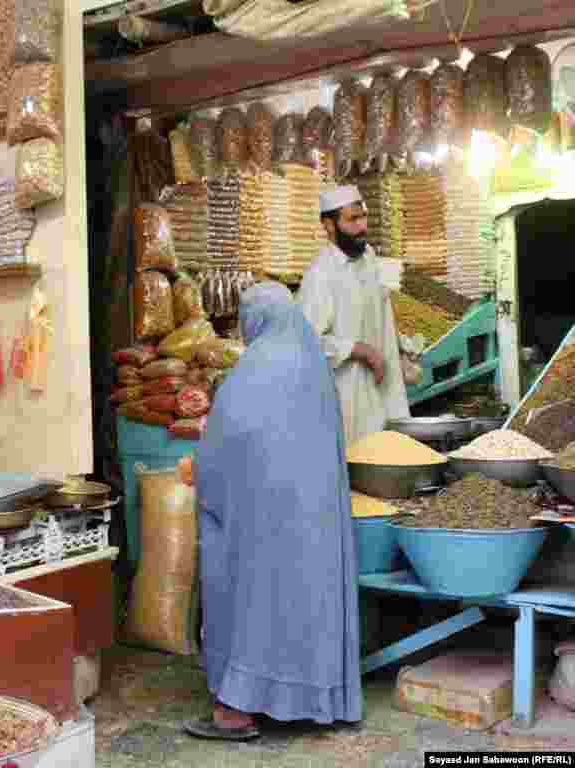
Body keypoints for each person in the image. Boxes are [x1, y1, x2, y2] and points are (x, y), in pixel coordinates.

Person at [186, 281, 361, 741]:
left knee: (252, 601)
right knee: (307, 598)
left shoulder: (253, 371)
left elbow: (224, 449)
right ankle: (314, 699)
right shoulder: (315, 369)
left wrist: (201, 469)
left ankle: (237, 708)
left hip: (261, 523)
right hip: (314, 520)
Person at [298, 184, 409, 445]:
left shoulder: (368, 258)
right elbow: (307, 342)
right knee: (356, 461)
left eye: (363, 217)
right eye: (352, 219)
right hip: (346, 395)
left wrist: (399, 352)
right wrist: (358, 349)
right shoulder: (320, 275)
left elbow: (379, 315)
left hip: (383, 388)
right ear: (328, 225)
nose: (362, 227)